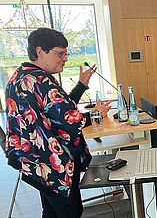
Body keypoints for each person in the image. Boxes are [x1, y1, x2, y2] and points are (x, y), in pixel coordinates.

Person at [4, 28, 111, 217]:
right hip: (52, 162)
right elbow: (69, 122)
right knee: (70, 212)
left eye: (65, 53)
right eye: (60, 53)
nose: (65, 58)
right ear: (40, 52)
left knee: (51, 211)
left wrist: (81, 85)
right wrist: (95, 115)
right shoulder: (42, 80)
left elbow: (53, 111)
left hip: (34, 160)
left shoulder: (19, 75)